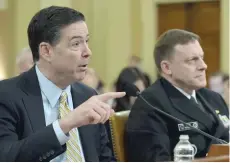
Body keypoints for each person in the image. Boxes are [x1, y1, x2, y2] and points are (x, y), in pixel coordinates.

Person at [0, 6, 125, 162]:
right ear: (46, 51)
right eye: (76, 44)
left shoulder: (87, 96)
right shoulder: (7, 95)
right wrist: (66, 124)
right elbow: (7, 157)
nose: (88, 52)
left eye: (86, 41)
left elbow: (105, 158)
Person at [125, 29, 229, 161]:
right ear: (167, 68)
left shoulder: (214, 98)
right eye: (192, 60)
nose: (203, 66)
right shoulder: (150, 105)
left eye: (202, 58)